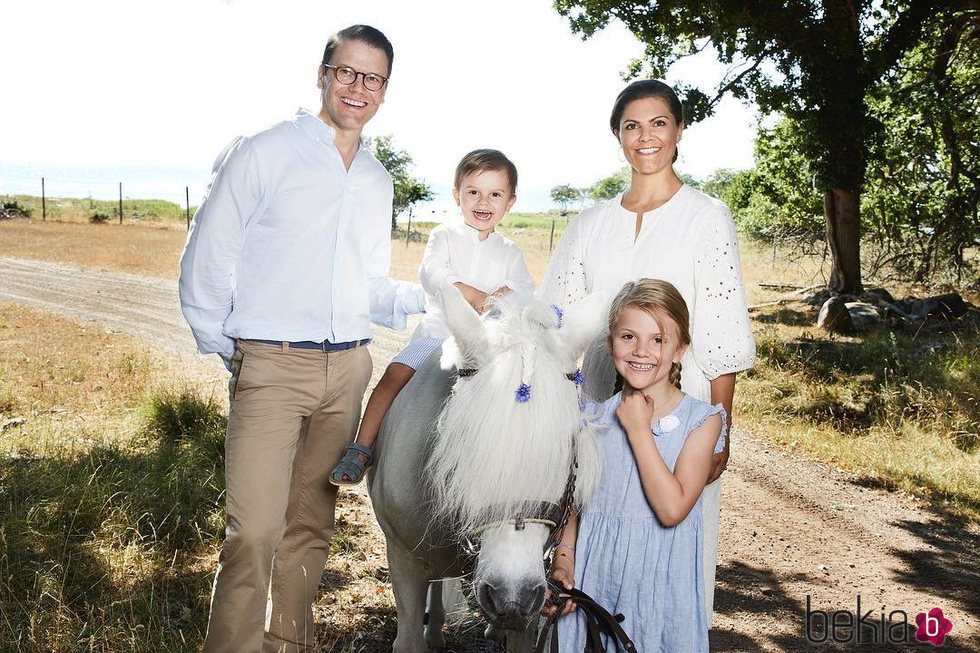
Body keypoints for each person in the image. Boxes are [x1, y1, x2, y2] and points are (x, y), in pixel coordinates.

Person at [178, 25, 424, 653]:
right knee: (255, 530)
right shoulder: (265, 152)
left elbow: (367, 285)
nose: (358, 87)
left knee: (310, 526)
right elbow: (208, 253)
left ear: (386, 90)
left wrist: (443, 296)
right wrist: (227, 343)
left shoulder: (375, 179)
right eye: (348, 71)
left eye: (373, 78)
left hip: (348, 370)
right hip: (271, 366)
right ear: (323, 73)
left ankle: (288, 643)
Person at [540, 79, 755, 621]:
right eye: (632, 125)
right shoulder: (589, 225)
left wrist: (722, 431)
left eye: (659, 123)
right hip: (597, 409)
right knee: (590, 541)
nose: (646, 136)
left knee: (670, 555)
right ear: (618, 136)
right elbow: (557, 325)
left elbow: (724, 336)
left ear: (679, 131)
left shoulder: (707, 217)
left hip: (680, 420)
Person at [330, 148, 534, 485]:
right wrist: (474, 296)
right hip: (439, 335)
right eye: (473, 192)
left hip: (488, 342)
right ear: (457, 195)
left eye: (495, 194)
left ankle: (518, 466)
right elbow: (434, 273)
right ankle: (362, 447)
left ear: (509, 201)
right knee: (394, 376)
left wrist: (501, 298)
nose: (483, 202)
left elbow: (522, 289)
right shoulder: (444, 236)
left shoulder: (510, 252)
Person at [553, 278, 726, 651]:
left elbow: (672, 509)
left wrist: (637, 430)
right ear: (610, 342)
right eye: (628, 336)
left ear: (680, 349)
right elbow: (575, 505)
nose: (641, 351)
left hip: (659, 592)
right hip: (594, 577)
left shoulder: (702, 421)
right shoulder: (590, 419)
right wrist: (564, 559)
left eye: (658, 340)